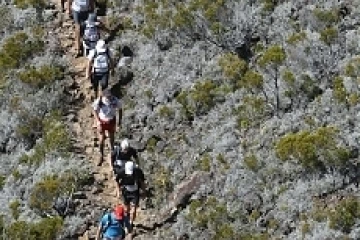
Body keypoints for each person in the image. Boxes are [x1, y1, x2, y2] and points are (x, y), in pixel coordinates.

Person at [92, 88, 122, 166]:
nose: (109, 97)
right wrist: (97, 121)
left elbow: (120, 109)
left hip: (111, 120)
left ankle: (112, 155)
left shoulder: (115, 100)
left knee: (111, 138)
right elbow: (94, 110)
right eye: (107, 96)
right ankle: (101, 155)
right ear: (104, 95)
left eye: (110, 96)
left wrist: (119, 123)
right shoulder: (100, 100)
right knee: (101, 139)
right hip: (102, 121)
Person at [115, 161, 146, 226]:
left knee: (134, 209)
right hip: (126, 190)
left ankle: (131, 223)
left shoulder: (138, 171)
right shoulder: (122, 171)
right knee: (126, 208)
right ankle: (126, 219)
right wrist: (118, 191)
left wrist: (143, 191)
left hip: (135, 191)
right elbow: (117, 180)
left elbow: (142, 181)